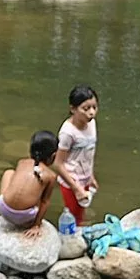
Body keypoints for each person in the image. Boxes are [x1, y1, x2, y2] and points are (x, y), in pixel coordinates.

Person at [0, 131, 59, 235]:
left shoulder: (21, 162)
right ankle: (31, 220)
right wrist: (36, 225)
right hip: (25, 219)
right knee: (40, 193)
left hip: (3, 209)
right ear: (53, 156)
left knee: (9, 172)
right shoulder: (51, 176)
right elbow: (45, 202)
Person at [54, 84, 99, 227]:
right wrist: (75, 187)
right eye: (86, 109)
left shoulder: (92, 124)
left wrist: (90, 177)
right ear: (73, 109)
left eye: (94, 107)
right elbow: (58, 163)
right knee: (74, 217)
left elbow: (87, 153)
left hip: (84, 178)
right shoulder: (68, 133)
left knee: (80, 213)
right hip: (71, 181)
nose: (91, 113)